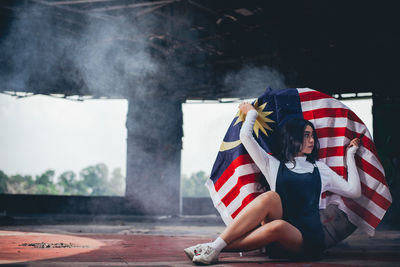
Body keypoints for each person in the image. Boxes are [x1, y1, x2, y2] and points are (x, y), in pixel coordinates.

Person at [184, 102, 362, 265]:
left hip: (308, 240)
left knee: (278, 226)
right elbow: (246, 137)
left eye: (312, 136)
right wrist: (252, 114)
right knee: (270, 197)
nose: (311, 141)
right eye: (306, 136)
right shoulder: (274, 165)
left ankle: (212, 247)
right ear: (293, 137)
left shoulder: (320, 169)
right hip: (277, 238)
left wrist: (350, 155)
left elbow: (354, 191)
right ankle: (213, 247)